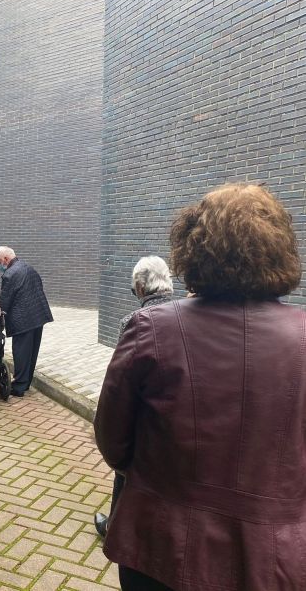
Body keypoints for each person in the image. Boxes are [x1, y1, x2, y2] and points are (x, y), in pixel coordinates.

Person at [94, 184, 305, 591]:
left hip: (163, 548)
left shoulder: (152, 328)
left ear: (193, 248)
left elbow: (112, 440)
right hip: (276, 557)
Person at [94, 256, 173, 539]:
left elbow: (121, 380)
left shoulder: (134, 321)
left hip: (145, 412)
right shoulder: (189, 313)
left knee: (124, 472)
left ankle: (114, 527)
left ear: (140, 287)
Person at [0, 246, 53, 397]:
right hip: (38, 316)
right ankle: (26, 382)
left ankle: (19, 386)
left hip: (22, 319)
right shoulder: (29, 268)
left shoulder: (10, 274)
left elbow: (5, 300)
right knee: (32, 352)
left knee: (21, 352)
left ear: (6, 259)